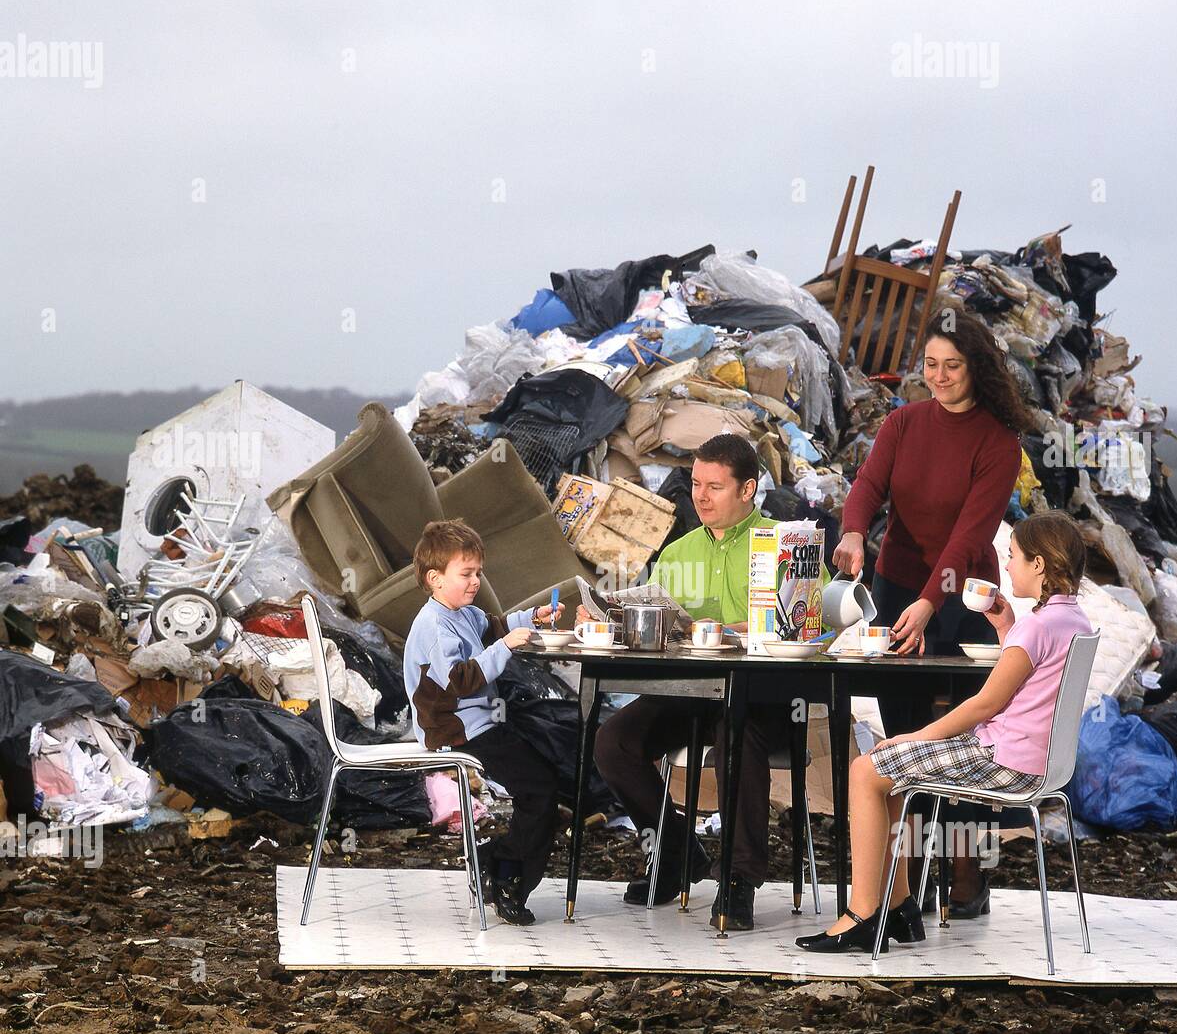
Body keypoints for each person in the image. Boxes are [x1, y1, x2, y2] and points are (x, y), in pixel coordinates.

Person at [796, 511, 1090, 953]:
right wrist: (1006, 628)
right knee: (888, 777)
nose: (1007, 566)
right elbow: (1034, 682)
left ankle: (861, 914)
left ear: (1039, 566)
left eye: (1014, 557)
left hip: (1001, 760)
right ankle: (898, 910)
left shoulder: (1038, 626)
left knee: (865, 769)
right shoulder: (1073, 621)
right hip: (1039, 763)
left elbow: (985, 704)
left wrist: (914, 737)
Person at [832, 307, 1035, 916]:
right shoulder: (904, 422)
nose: (940, 376)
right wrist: (850, 532)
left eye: (952, 366)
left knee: (965, 737)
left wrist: (930, 603)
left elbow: (970, 538)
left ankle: (969, 879)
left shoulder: (999, 443)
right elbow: (868, 485)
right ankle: (902, 888)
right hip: (898, 587)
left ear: (977, 369)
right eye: (931, 366)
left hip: (965, 600)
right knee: (904, 734)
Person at [590, 433, 812, 932]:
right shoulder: (677, 552)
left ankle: (739, 879)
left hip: (763, 697)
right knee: (614, 740)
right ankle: (676, 853)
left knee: (736, 736)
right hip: (690, 690)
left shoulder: (787, 545)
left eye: (715, 486)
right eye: (695, 483)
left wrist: (732, 630)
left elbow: (802, 628)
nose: (701, 496)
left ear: (748, 489)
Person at [403, 518, 565, 926]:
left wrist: (534, 618)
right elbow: (461, 680)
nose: (475, 581)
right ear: (435, 578)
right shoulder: (436, 626)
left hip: (478, 723)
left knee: (548, 781)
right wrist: (507, 648)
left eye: (478, 572)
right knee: (541, 791)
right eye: (466, 574)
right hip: (455, 731)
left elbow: (495, 625)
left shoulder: (462, 612)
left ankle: (499, 862)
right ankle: (504, 870)